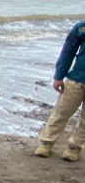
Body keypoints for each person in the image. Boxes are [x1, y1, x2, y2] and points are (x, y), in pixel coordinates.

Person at [34, 20, 85, 161]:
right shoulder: (81, 28)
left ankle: (74, 147)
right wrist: (59, 76)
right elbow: (68, 51)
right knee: (62, 111)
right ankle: (46, 142)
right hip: (76, 79)